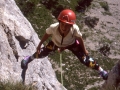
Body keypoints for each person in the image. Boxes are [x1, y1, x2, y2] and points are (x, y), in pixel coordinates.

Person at [21, 9, 108, 80]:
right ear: (59, 22)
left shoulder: (74, 29)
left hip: (71, 44)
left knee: (85, 60)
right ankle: (28, 59)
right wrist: (40, 44)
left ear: (71, 25)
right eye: (62, 24)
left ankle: (101, 70)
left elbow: (79, 38)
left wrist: (84, 49)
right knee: (42, 53)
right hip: (56, 43)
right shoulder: (53, 27)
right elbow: (46, 34)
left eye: (67, 25)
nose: (64, 27)